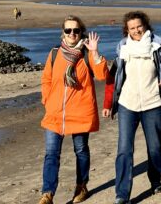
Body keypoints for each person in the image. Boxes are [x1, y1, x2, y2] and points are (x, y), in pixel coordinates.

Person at [104, 11, 161, 204]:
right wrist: (107, 104)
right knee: (124, 149)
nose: (136, 30)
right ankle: (122, 194)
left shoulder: (158, 45)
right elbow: (113, 77)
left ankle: (155, 181)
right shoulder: (123, 47)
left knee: (154, 147)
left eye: (139, 26)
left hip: (153, 104)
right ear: (126, 30)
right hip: (127, 105)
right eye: (132, 28)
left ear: (146, 25)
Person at [38, 15, 110, 204]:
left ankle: (82, 186)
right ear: (63, 32)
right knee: (51, 153)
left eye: (76, 30)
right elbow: (46, 79)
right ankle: (48, 193)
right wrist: (47, 99)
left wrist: (94, 53)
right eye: (68, 30)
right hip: (55, 114)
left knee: (81, 151)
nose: (72, 34)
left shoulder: (86, 54)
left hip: (80, 113)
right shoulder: (55, 53)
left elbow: (103, 75)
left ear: (81, 32)